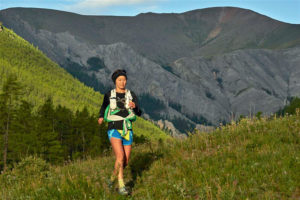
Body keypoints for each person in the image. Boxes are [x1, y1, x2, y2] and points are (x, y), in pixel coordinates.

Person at [98, 69, 142, 195]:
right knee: (120, 157)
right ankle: (122, 186)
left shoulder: (131, 94)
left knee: (125, 161)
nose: (122, 82)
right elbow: (103, 107)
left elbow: (139, 113)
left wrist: (135, 107)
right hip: (113, 128)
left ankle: (111, 179)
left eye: (124, 80)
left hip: (127, 129)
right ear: (115, 81)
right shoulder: (109, 95)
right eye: (120, 80)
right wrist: (101, 116)